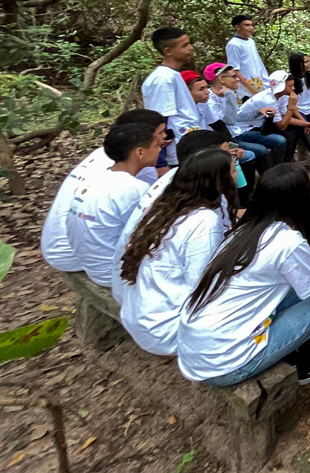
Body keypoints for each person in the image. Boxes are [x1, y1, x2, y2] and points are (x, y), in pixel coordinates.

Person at [178, 164, 310, 409]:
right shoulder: (285, 242)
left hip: (200, 353)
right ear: (297, 200)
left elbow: (308, 268)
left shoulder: (246, 231)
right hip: (228, 362)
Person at [114, 147, 238, 356]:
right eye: (234, 170)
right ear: (220, 180)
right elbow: (202, 286)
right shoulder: (204, 222)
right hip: (167, 331)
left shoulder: (166, 207)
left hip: (139, 316)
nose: (238, 174)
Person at [41, 110, 166, 275]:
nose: (164, 137)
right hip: (79, 256)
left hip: (68, 248)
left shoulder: (108, 159)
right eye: (159, 135)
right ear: (139, 146)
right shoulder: (131, 183)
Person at [67, 123, 160, 286]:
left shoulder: (96, 179)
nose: (160, 150)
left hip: (94, 268)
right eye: (157, 146)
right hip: (116, 275)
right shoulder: (135, 189)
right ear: (140, 152)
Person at [205, 63, 285, 169]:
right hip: (228, 139)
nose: (238, 79)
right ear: (221, 79)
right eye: (234, 76)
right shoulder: (211, 101)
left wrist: (258, 110)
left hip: (240, 131)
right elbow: (230, 121)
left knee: (280, 140)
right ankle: (269, 177)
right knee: (261, 150)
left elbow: (238, 116)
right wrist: (230, 95)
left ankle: (278, 170)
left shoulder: (225, 94)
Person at [142, 27, 202, 167]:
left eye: (189, 43)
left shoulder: (173, 75)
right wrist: (162, 161)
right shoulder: (163, 79)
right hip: (177, 149)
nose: (190, 48)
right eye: (185, 45)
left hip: (187, 142)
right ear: (168, 51)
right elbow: (160, 116)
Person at [225, 14, 270, 100]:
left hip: (260, 83)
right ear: (237, 27)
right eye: (247, 25)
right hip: (248, 89)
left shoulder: (251, 41)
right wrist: (251, 89)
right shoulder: (233, 44)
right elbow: (235, 69)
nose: (251, 28)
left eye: (251, 25)